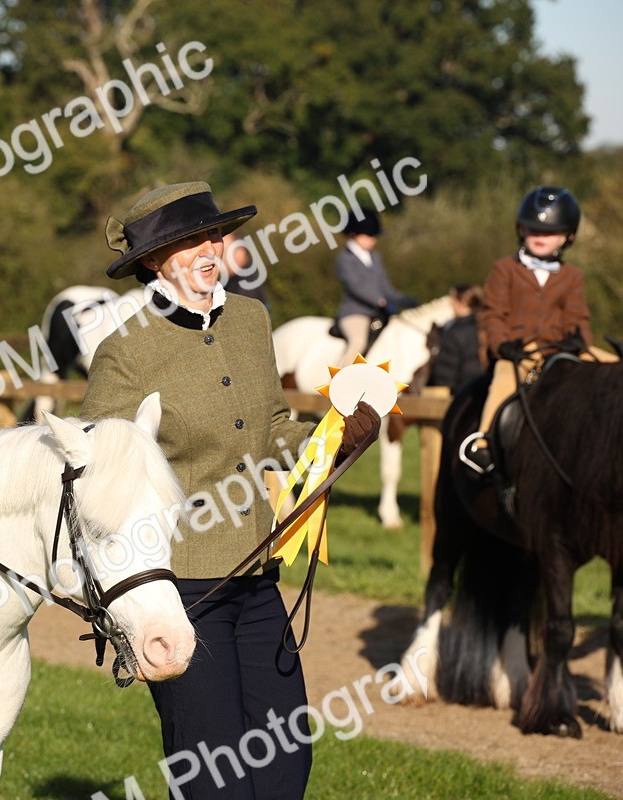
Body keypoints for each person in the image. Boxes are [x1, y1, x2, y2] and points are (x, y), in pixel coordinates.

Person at [81, 182, 379, 799]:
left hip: (259, 571)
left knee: (285, 764)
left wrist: (335, 436)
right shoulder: (124, 353)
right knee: (212, 775)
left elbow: (271, 428)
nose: (208, 250)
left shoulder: (250, 319)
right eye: (188, 242)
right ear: (153, 260)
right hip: (181, 587)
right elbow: (101, 475)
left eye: (213, 235)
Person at [465, 185, 592, 473]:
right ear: (521, 229)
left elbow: (578, 317)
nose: (540, 237)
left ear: (568, 236)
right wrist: (503, 344)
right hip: (520, 351)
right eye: (533, 230)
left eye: (548, 232)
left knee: (611, 366)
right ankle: (482, 442)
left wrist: (579, 339)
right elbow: (493, 314)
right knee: (504, 377)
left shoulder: (573, 276)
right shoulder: (503, 269)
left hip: (559, 350)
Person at [334, 208, 416, 366]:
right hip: (355, 312)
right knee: (358, 342)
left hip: (380, 312)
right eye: (369, 236)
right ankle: (338, 380)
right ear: (353, 234)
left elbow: (386, 287)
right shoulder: (344, 259)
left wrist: (405, 300)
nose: (373, 240)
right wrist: (380, 301)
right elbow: (355, 287)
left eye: (374, 236)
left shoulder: (375, 257)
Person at [427, 284, 484, 393]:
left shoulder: (454, 332)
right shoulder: (486, 327)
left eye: (452, 301)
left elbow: (445, 373)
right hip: (481, 391)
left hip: (459, 394)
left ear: (460, 303)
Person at [222, 231, 269, 307]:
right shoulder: (233, 282)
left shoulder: (245, 286)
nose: (221, 258)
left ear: (241, 251)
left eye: (226, 252)